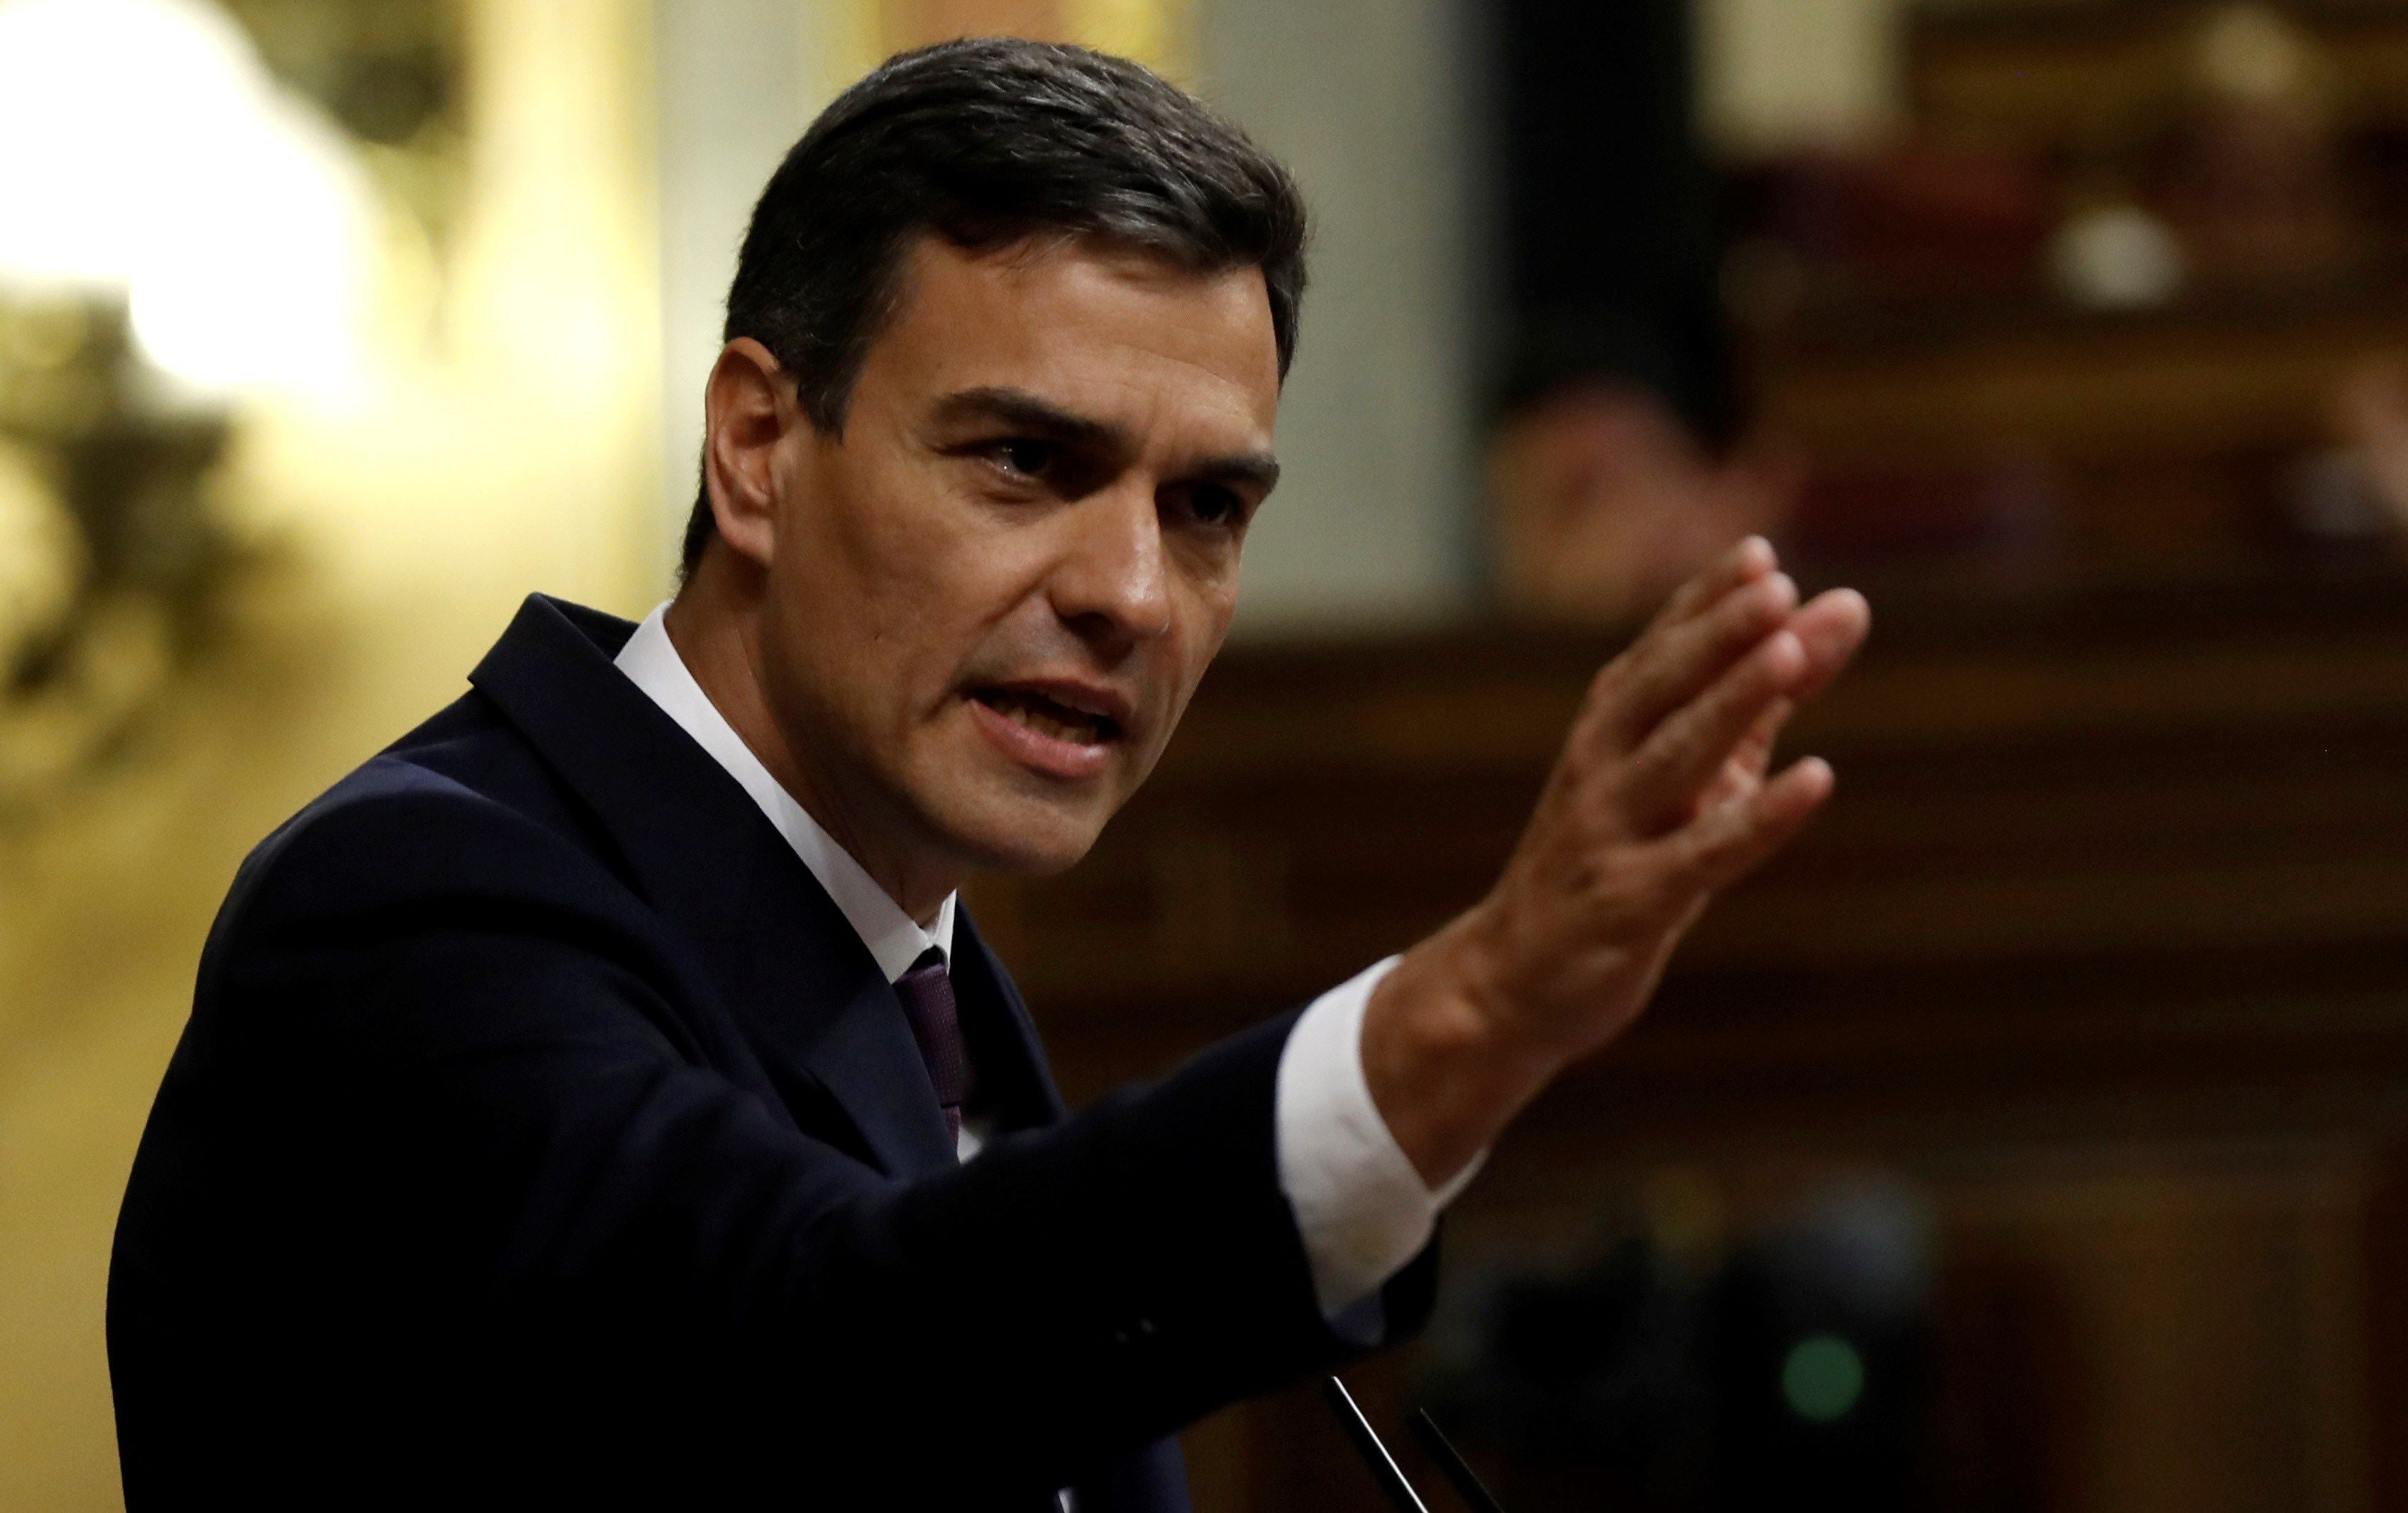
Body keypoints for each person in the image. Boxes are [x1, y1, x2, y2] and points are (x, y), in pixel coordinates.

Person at [107, 39, 1869, 1512]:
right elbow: (826, 1356)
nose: (1127, 595)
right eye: (1027, 460)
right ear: (754, 450)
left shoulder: (925, 986)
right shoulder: (414, 914)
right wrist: (1465, 1014)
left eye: (1204, 511)